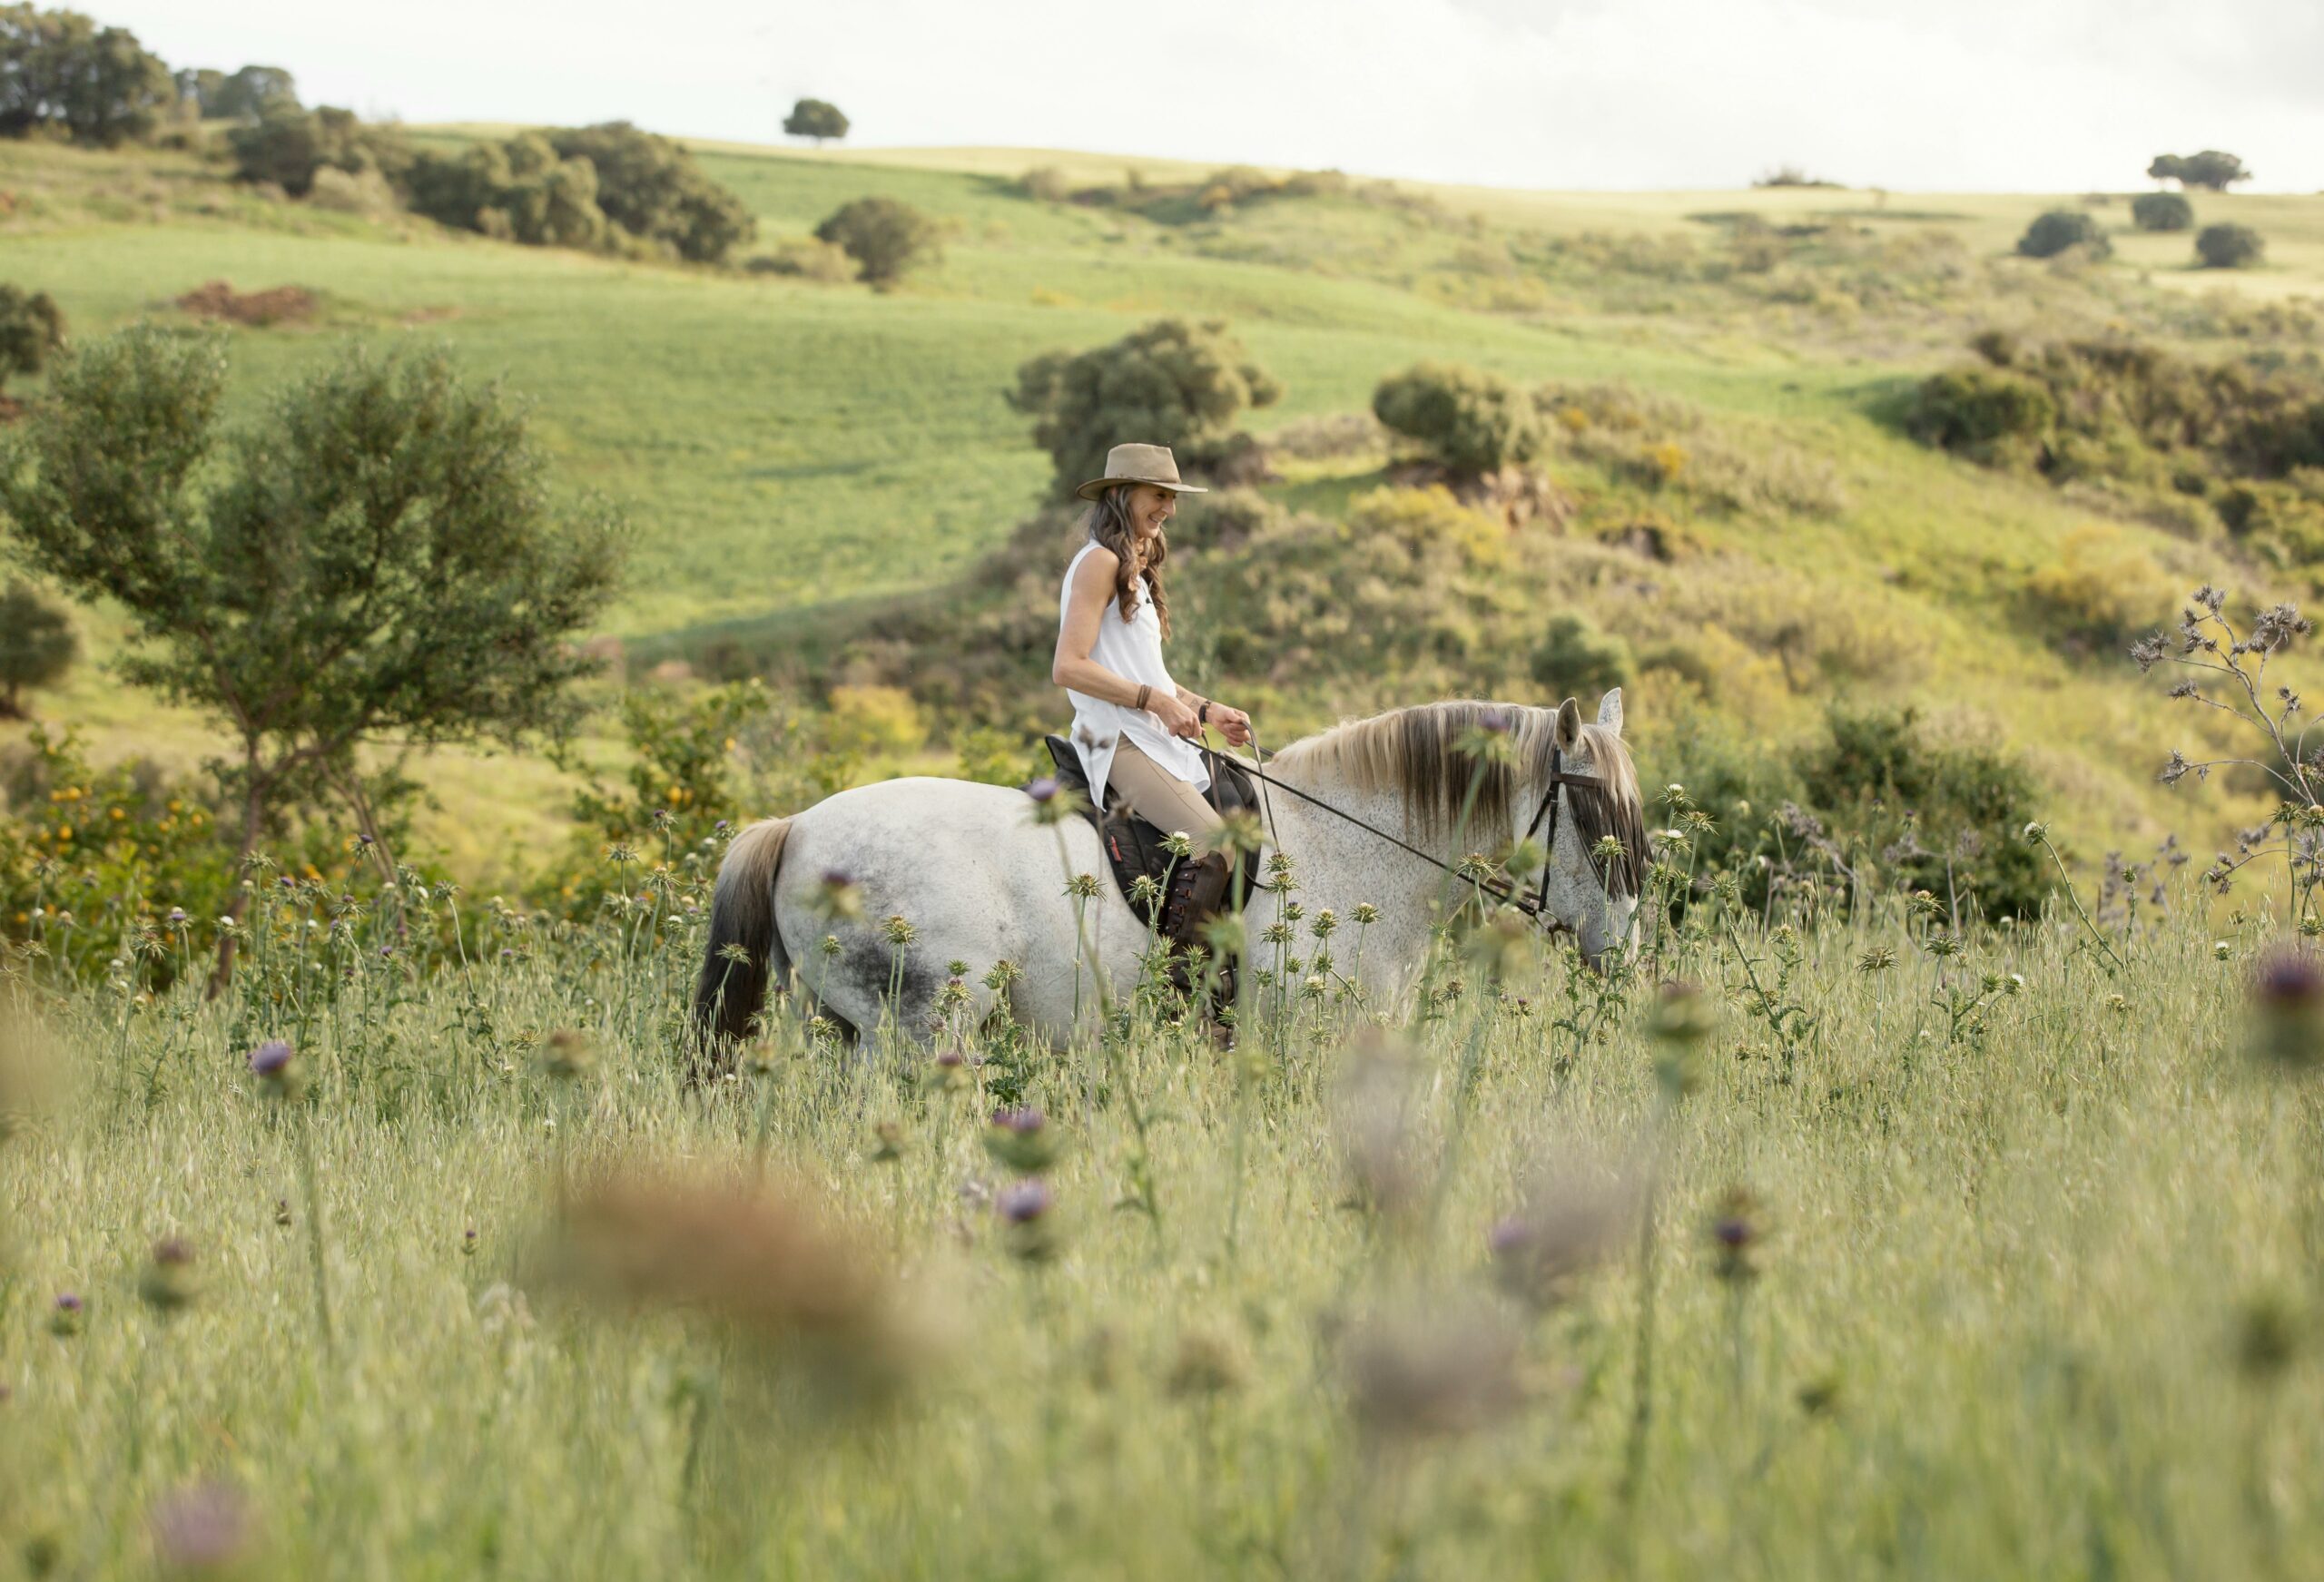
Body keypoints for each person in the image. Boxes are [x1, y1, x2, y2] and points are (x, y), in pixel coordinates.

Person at [1052, 442, 1255, 918]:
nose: (1170, 508)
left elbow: (1150, 676)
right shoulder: (1099, 562)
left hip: (1145, 734)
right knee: (1216, 844)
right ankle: (1183, 978)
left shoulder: (1131, 572)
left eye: (1173, 497)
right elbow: (1068, 666)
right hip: (1117, 740)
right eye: (1159, 494)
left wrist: (1206, 709)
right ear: (1123, 493)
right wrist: (1156, 704)